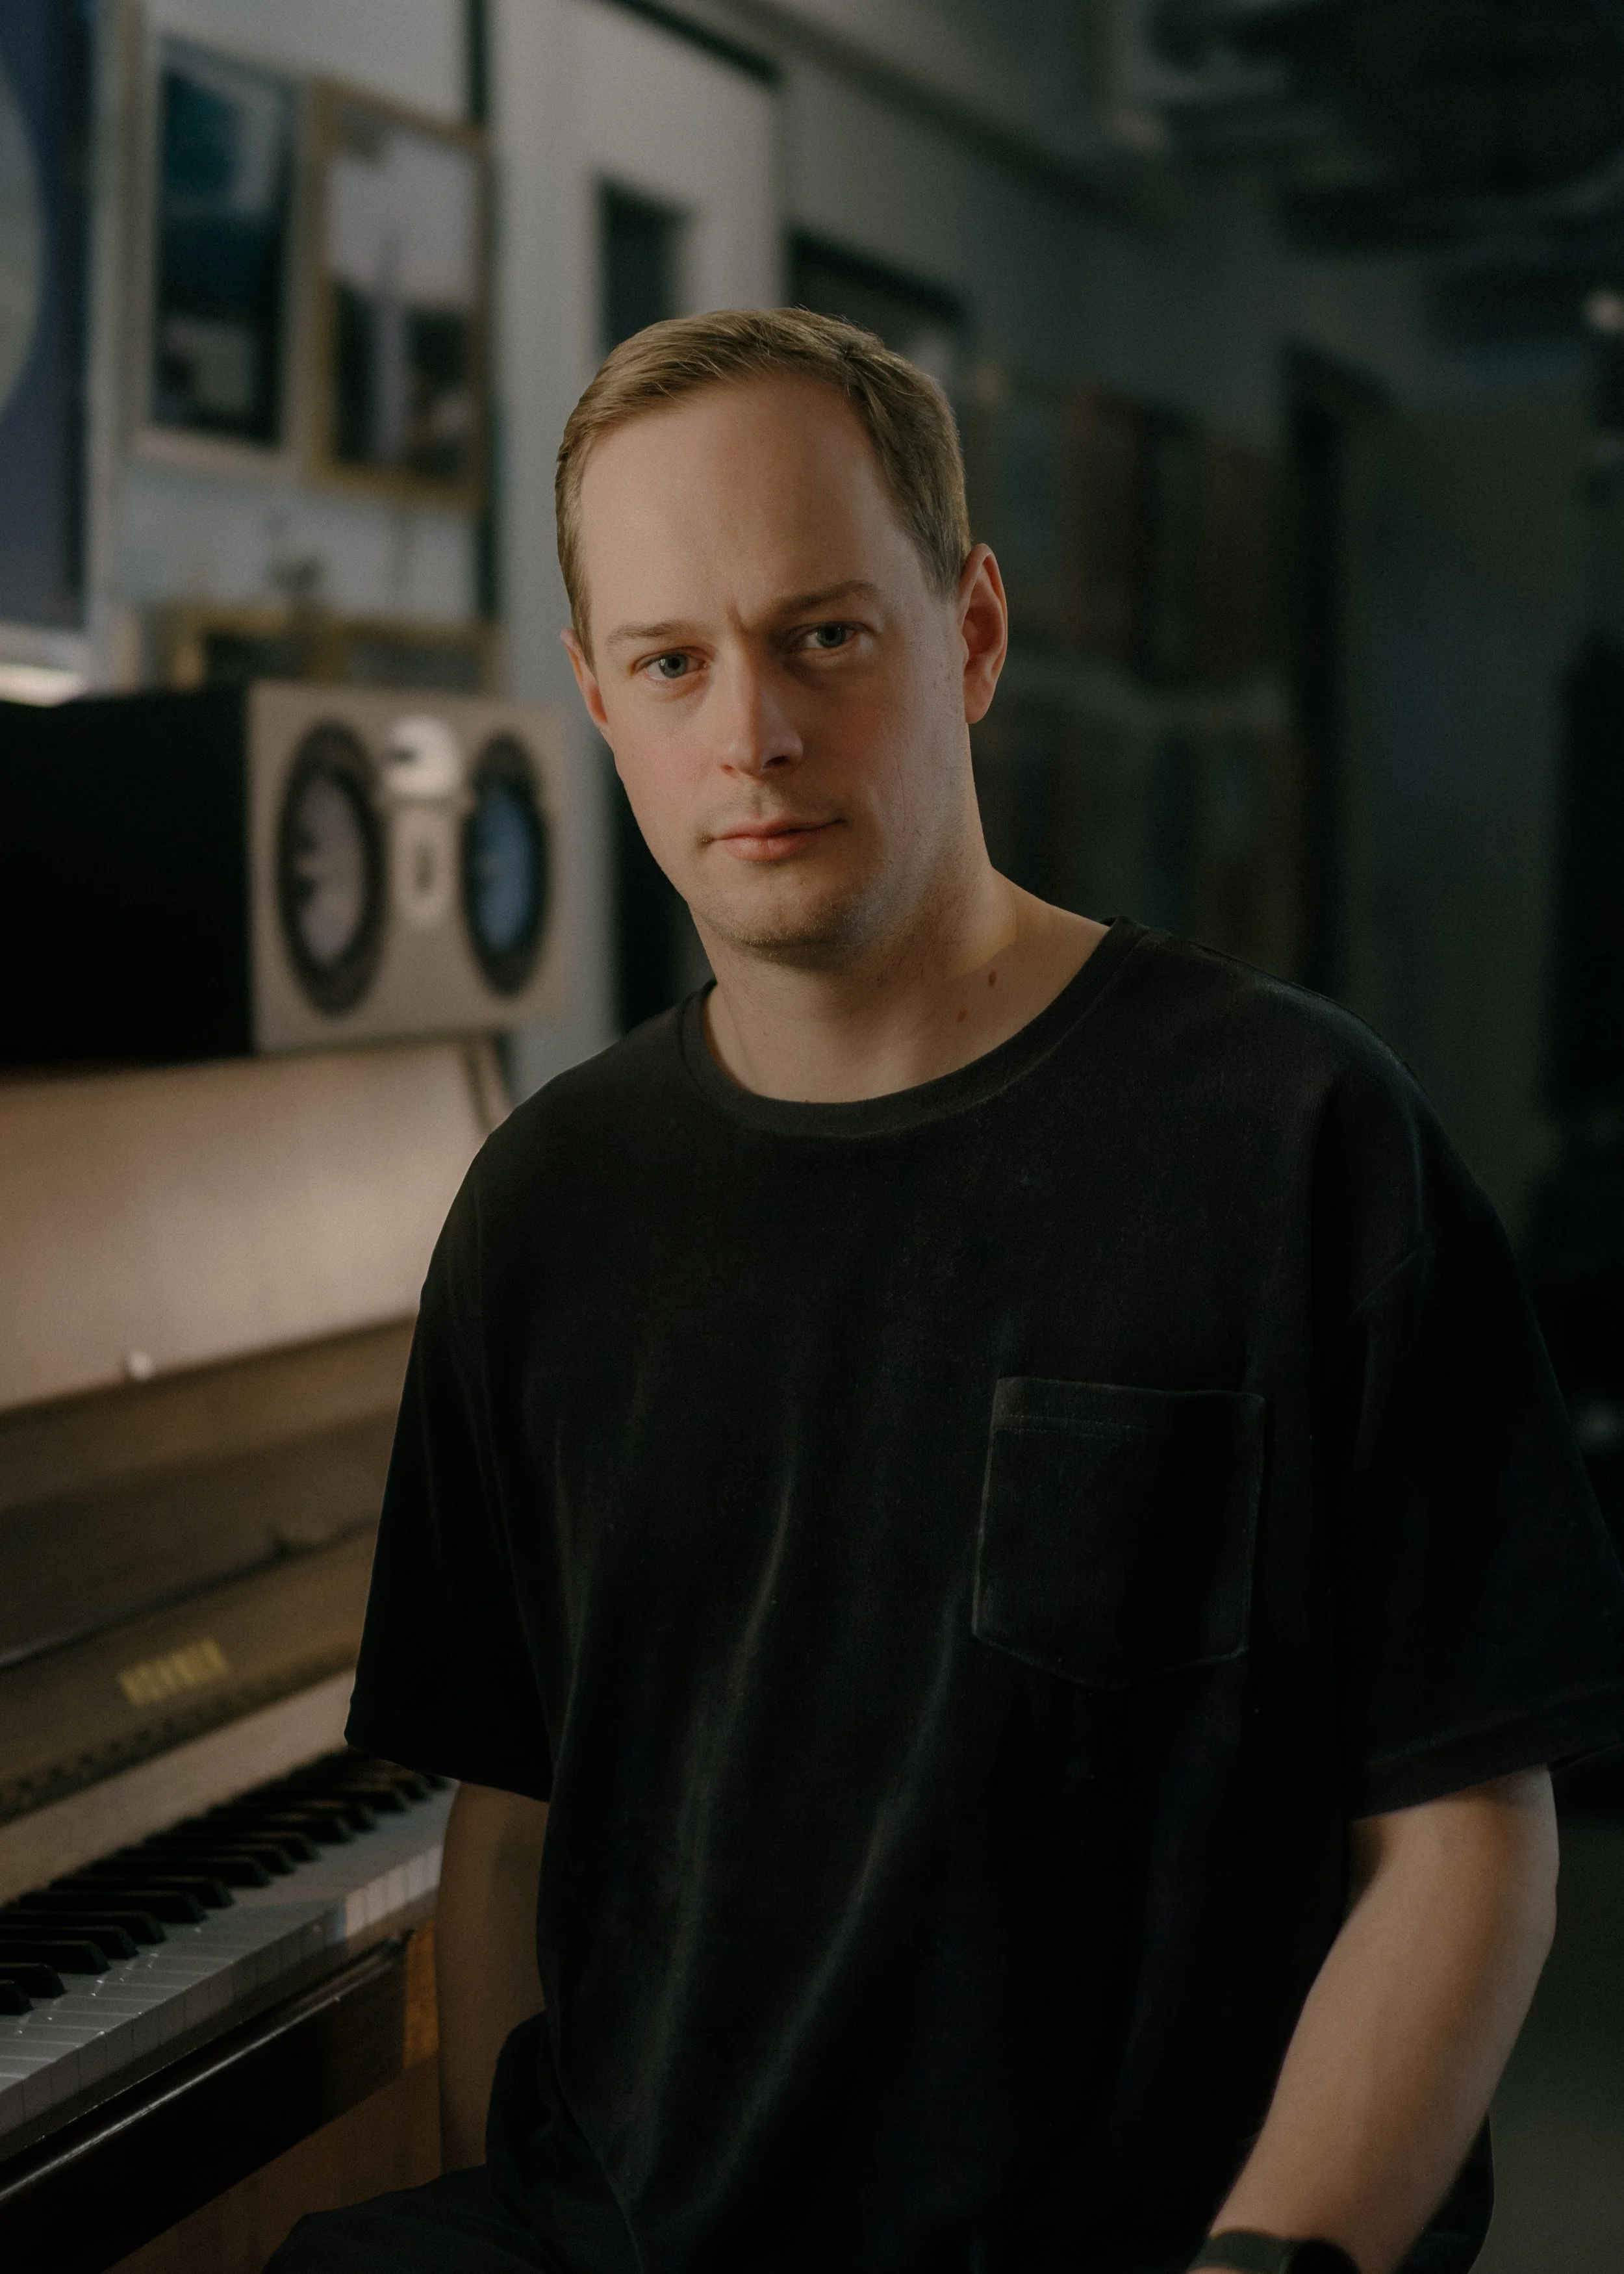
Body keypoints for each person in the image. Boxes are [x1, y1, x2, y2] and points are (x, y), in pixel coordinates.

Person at [268, 309, 1624, 2274]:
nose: (751, 731)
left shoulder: (1295, 1138)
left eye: (822, 634)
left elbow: (1465, 1844)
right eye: (672, 661)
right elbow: (515, 1828)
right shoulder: (543, 1205)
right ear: (596, 697)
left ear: (969, 634)